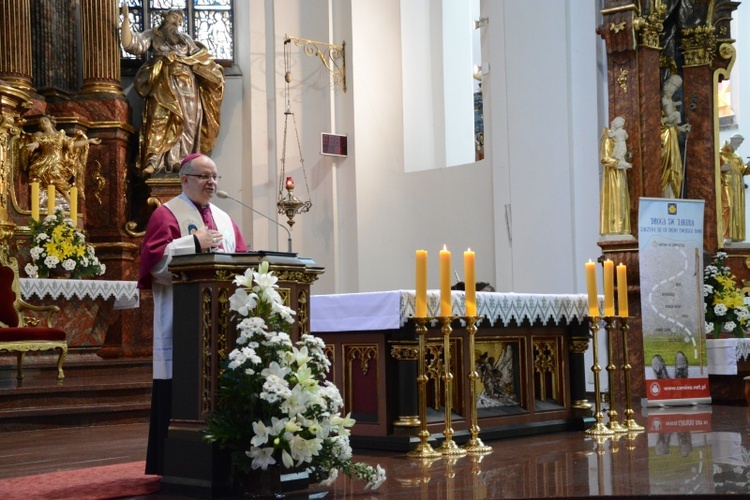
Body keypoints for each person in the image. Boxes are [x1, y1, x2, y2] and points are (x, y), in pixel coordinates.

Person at [138, 153, 248, 475]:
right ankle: (175, 461)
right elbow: (155, 265)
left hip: (222, 321)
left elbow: (241, 260)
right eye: (203, 176)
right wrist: (194, 243)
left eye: (214, 176)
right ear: (184, 180)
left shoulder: (225, 219)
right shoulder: (166, 214)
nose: (211, 182)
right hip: (182, 317)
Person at [120, 4, 225, 177]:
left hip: (188, 88)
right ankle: (153, 161)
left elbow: (203, 58)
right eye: (174, 18)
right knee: (158, 121)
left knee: (187, 125)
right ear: (164, 18)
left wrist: (213, 73)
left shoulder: (185, 40)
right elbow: (131, 44)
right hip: (162, 86)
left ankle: (181, 162)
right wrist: (125, 20)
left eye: (180, 20)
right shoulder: (153, 35)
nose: (177, 22)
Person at [23, 115, 100, 203]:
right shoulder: (40, 135)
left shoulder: (60, 135)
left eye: (45, 120)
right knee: (36, 179)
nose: (43, 123)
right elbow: (38, 143)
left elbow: (73, 144)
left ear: (51, 123)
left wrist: (88, 141)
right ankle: (38, 203)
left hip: (56, 161)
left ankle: (70, 202)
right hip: (42, 161)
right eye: (41, 123)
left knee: (57, 178)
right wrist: (34, 145)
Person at [659, 75, 691, 198]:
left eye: (676, 87)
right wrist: (668, 119)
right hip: (665, 139)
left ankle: (673, 197)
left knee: (676, 169)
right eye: (672, 84)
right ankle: (666, 196)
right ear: (666, 84)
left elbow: (672, 125)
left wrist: (681, 129)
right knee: (668, 169)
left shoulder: (670, 101)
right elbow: (657, 122)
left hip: (672, 136)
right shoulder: (662, 100)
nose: (673, 89)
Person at [599, 116, 632, 235]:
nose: (621, 127)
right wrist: (619, 163)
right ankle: (615, 228)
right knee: (616, 198)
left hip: (620, 172)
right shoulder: (608, 139)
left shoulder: (619, 136)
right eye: (620, 125)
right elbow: (604, 158)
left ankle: (623, 228)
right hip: (613, 174)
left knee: (623, 198)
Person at [719, 134, 750, 241]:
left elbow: (742, 170)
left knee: (737, 208)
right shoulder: (720, 154)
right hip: (726, 182)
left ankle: (736, 236)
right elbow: (713, 170)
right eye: (737, 143)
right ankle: (726, 235)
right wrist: (721, 168)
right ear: (732, 141)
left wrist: (748, 166)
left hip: (737, 184)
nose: (738, 146)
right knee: (728, 206)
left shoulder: (736, 155)